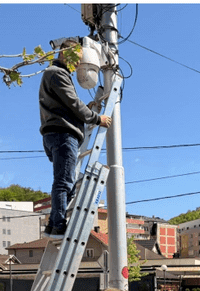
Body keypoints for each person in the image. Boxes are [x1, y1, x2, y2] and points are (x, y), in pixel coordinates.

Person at [39, 39, 111, 239]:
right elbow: (72, 102)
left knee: (66, 181)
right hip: (63, 135)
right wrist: (97, 118)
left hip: (57, 134)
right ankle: (58, 225)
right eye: (77, 59)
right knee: (64, 182)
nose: (78, 64)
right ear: (64, 53)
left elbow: (68, 104)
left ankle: (54, 224)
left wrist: (85, 111)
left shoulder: (55, 75)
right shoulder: (57, 74)